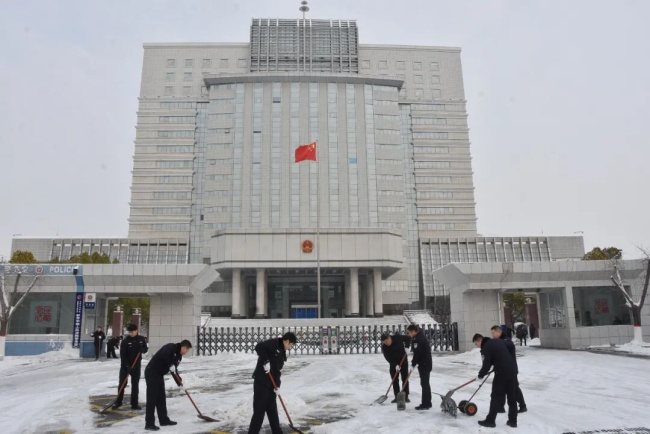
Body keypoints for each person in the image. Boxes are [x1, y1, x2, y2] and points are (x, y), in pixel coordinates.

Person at [248, 332, 298, 434]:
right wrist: (265, 361)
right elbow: (259, 347)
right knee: (259, 412)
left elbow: (277, 371)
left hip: (271, 385)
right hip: (261, 382)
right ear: (287, 341)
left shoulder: (282, 351)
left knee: (272, 411)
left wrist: (277, 386)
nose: (291, 347)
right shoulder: (273, 343)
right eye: (291, 345)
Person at [144, 339, 192, 431]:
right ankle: (149, 423)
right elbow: (163, 354)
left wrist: (180, 383)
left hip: (159, 374)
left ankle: (164, 420)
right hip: (151, 372)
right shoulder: (171, 347)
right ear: (183, 347)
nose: (186, 352)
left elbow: (174, 371)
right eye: (187, 349)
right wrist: (170, 364)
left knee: (161, 398)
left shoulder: (179, 356)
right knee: (152, 398)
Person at [473, 334, 518, 428]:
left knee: (495, 396)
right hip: (512, 371)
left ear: (480, 341)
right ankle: (513, 421)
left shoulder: (486, 347)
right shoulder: (497, 341)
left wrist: (480, 375)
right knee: (512, 397)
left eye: (476, 344)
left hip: (501, 373)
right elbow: (505, 352)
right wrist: (497, 364)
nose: (478, 347)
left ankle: (490, 421)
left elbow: (486, 365)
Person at [491, 325, 527, 413]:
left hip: (510, 370)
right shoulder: (500, 341)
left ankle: (522, 406)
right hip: (502, 370)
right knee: (501, 388)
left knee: (514, 389)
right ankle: (500, 407)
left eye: (493, 333)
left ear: (498, 332)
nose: (492, 335)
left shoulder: (507, 342)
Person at [114, 324, 148, 410]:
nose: (131, 333)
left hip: (136, 365)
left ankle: (134, 404)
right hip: (125, 366)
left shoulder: (141, 339)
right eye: (129, 332)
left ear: (136, 331)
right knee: (122, 383)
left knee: (135, 385)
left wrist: (143, 350)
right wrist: (127, 366)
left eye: (132, 332)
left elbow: (145, 349)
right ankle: (118, 402)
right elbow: (123, 355)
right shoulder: (125, 341)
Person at [380, 333, 412, 403]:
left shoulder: (397, 337)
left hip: (403, 361)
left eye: (386, 342)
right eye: (384, 342)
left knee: (405, 378)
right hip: (393, 363)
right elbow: (388, 358)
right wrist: (395, 365)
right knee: (394, 380)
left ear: (389, 338)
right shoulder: (384, 347)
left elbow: (408, 338)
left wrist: (407, 347)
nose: (386, 344)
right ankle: (397, 397)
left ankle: (405, 396)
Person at [407, 325, 432, 410]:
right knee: (425, 383)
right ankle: (428, 402)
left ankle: (426, 404)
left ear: (413, 331)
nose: (409, 334)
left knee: (424, 384)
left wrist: (413, 364)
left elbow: (417, 354)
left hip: (424, 364)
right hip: (425, 363)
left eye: (409, 332)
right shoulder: (419, 337)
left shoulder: (418, 339)